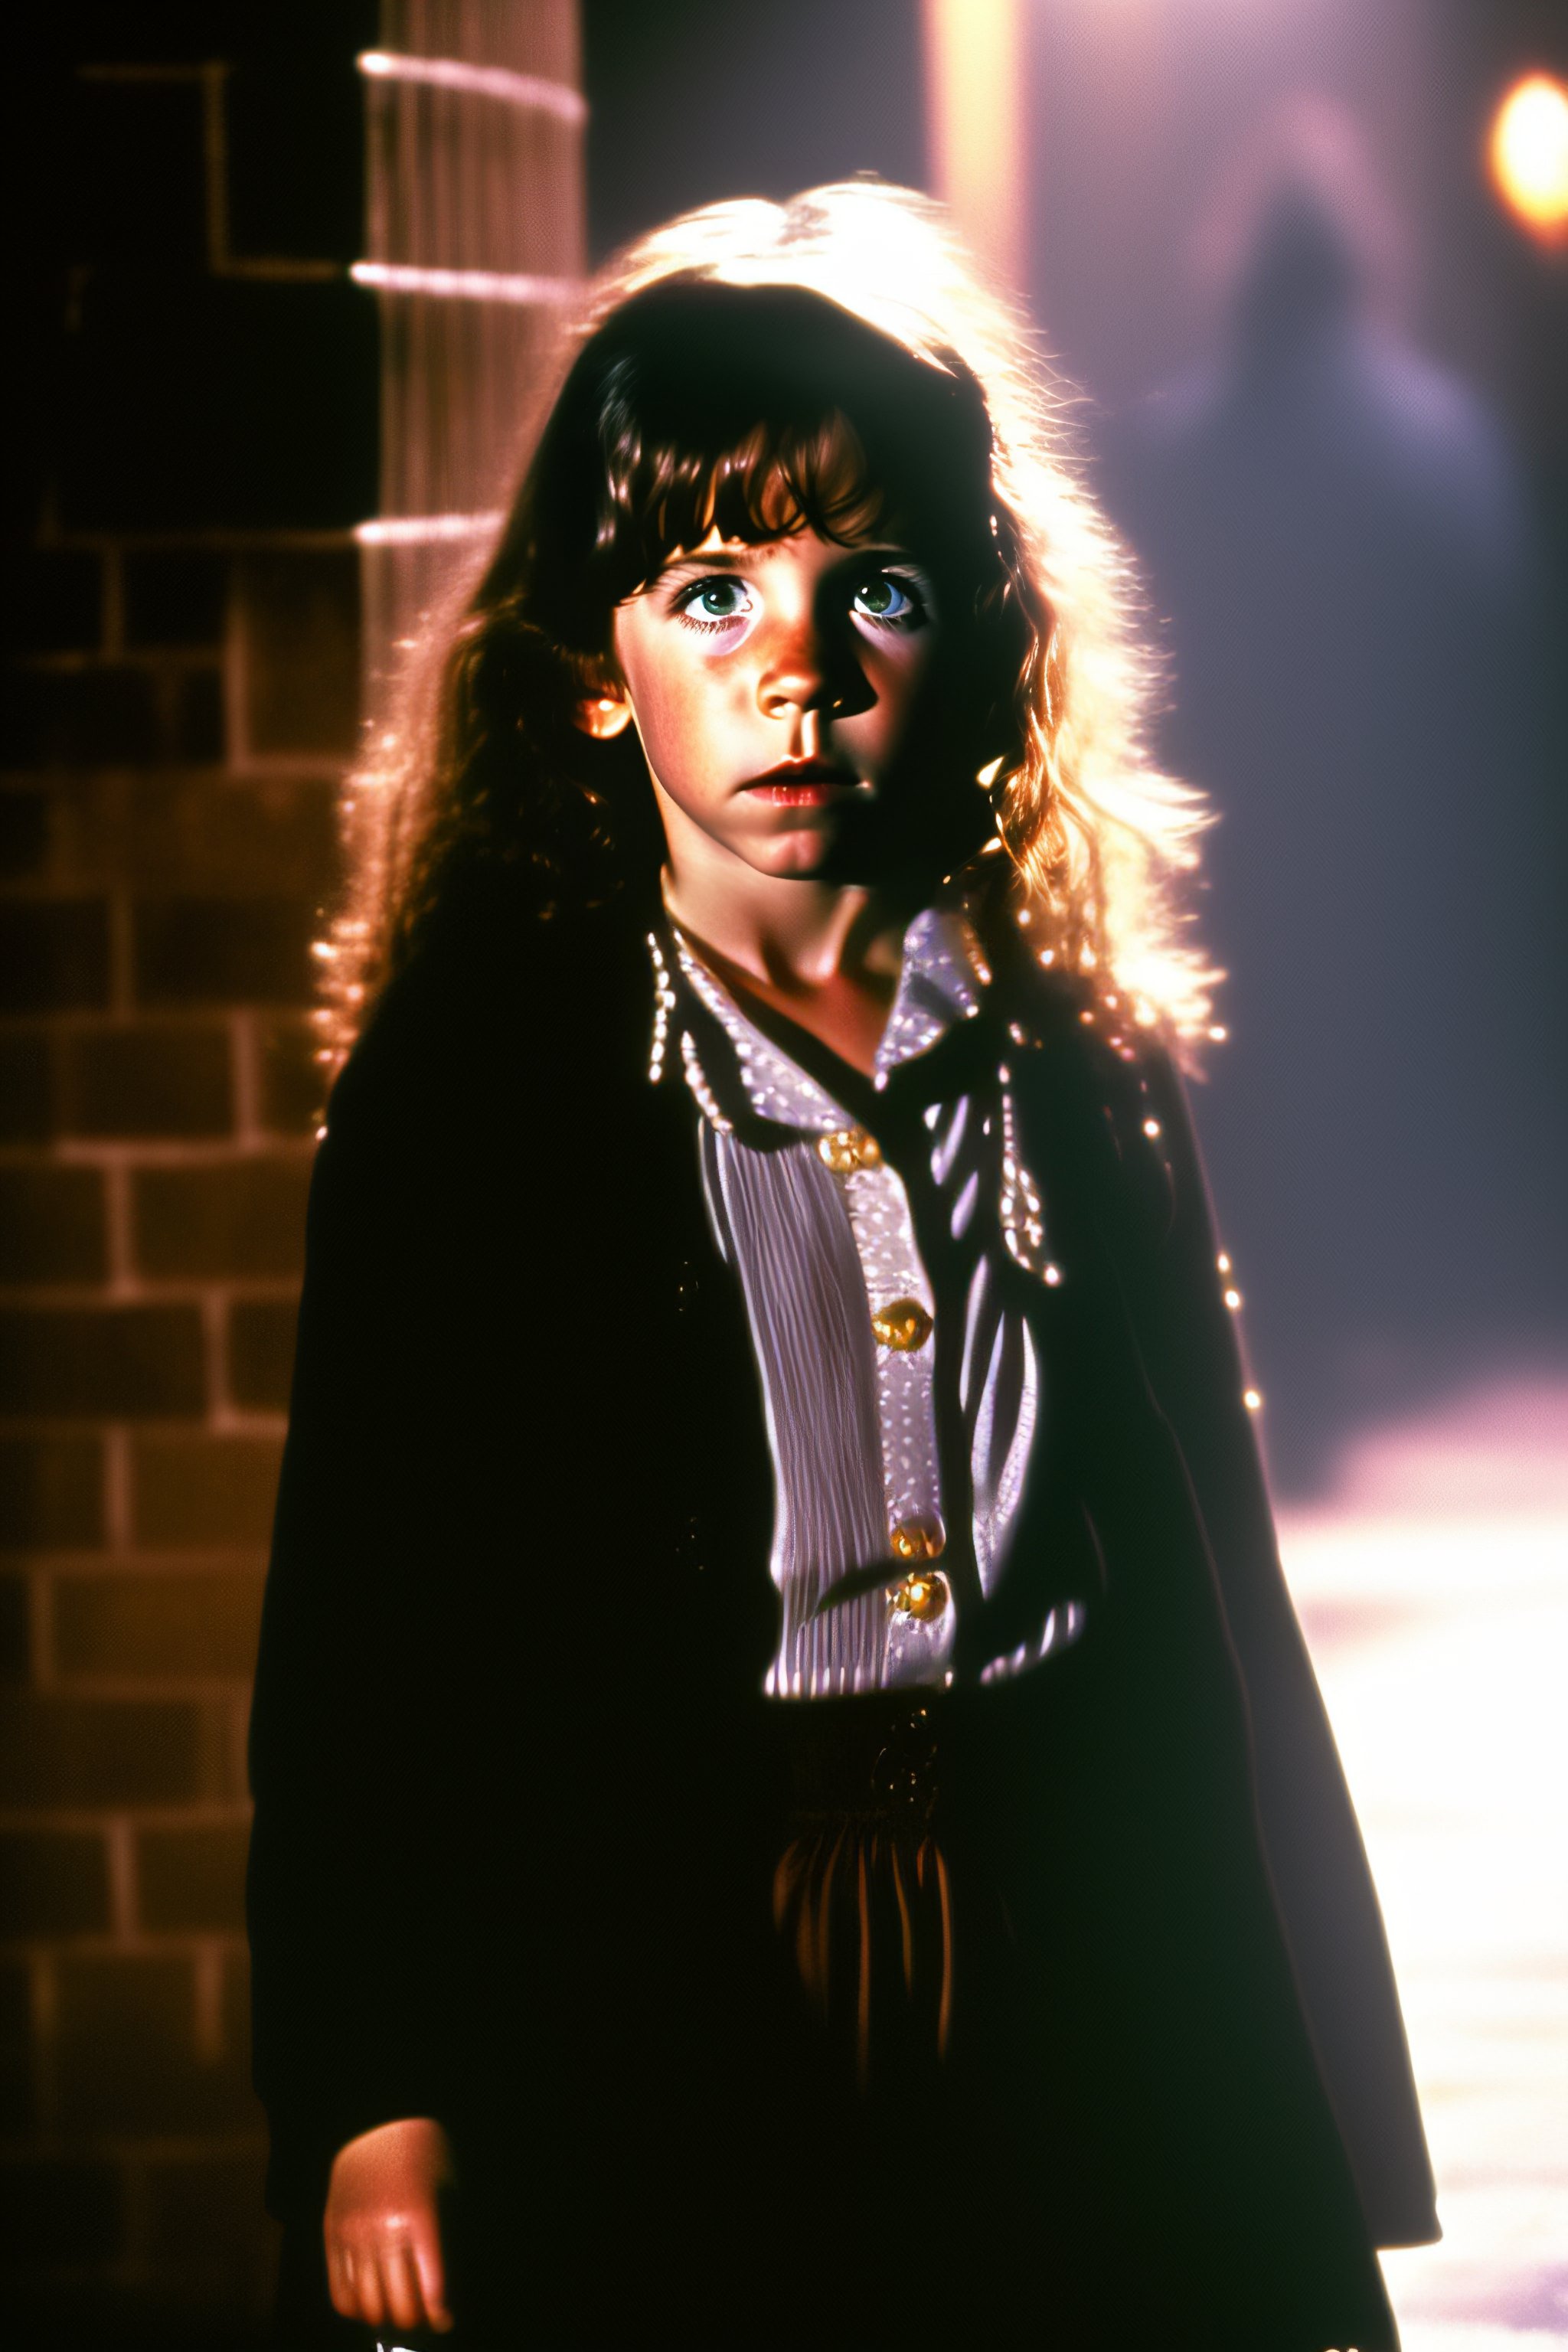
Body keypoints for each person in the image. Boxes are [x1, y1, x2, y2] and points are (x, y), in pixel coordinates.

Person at [247, 183, 1437, 2350]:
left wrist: (1312, 2108)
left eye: (867, 587)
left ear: (973, 641)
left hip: (1081, 1952)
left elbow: (1218, 1598)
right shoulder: (485, 1082)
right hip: (662, 1975)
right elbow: (366, 1626)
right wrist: (371, 2087)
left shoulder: (1074, 1055)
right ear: (593, 670)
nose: (795, 667)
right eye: (712, 592)